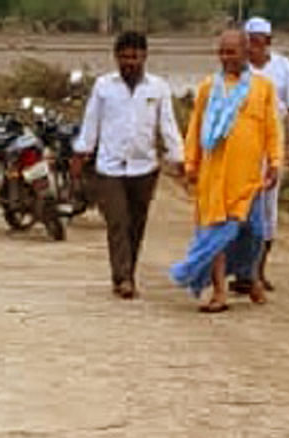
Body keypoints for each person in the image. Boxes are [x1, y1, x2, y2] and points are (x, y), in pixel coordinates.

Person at [169, 28, 283, 312]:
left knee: (254, 234)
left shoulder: (263, 88)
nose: (225, 57)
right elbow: (195, 128)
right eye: (221, 52)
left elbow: (272, 130)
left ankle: (252, 277)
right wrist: (190, 164)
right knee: (216, 236)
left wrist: (275, 163)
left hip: (247, 181)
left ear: (247, 52)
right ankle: (219, 292)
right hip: (214, 177)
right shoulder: (209, 87)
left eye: (231, 52)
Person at [70, 31, 186, 300]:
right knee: (117, 221)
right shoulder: (103, 86)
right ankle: (122, 276)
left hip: (144, 167)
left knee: (136, 223)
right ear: (116, 57)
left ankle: (128, 273)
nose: (129, 62)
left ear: (144, 56)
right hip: (109, 167)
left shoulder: (158, 88)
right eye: (124, 57)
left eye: (134, 57)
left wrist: (178, 158)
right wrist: (80, 154)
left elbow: (167, 126)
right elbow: (91, 123)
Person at [229, 17, 289, 294]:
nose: (252, 48)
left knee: (267, 211)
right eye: (248, 42)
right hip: (242, 146)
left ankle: (257, 270)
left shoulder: (282, 67)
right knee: (240, 208)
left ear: (268, 42)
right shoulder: (237, 68)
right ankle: (241, 270)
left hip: (272, 147)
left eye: (258, 42)